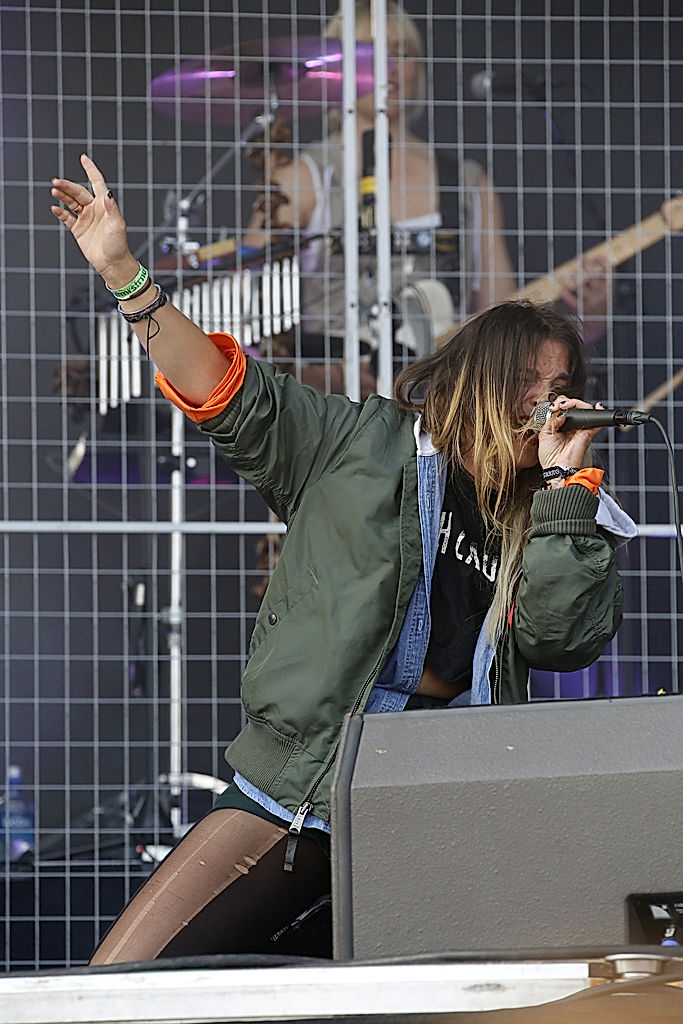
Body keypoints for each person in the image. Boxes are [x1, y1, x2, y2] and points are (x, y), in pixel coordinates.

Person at [50, 154, 635, 963]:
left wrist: (568, 487)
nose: (545, 403)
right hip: (301, 789)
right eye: (526, 385)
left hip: (438, 803)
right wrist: (123, 274)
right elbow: (227, 391)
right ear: (472, 383)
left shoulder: (553, 509)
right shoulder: (359, 443)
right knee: (121, 986)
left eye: (559, 385)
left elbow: (559, 638)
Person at [245, 0, 610, 398]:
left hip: (441, 412)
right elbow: (248, 317)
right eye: (372, 53)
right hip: (333, 414)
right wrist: (320, 377)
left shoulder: (469, 183)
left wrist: (584, 320)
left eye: (403, 53)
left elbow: (501, 322)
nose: (391, 67)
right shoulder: (299, 178)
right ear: (337, 71)